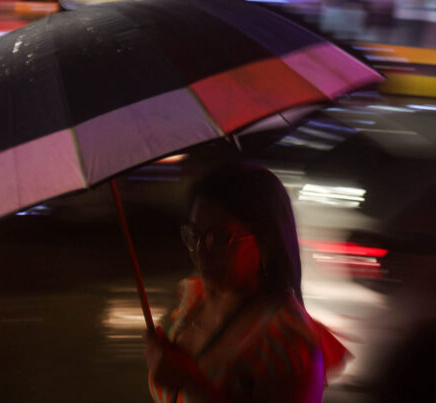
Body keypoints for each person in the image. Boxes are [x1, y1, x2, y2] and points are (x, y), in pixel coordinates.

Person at [144, 161, 348, 403]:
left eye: (220, 238)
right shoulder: (196, 297)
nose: (201, 251)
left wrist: (191, 383)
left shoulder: (286, 341)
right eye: (195, 235)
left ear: (267, 241)